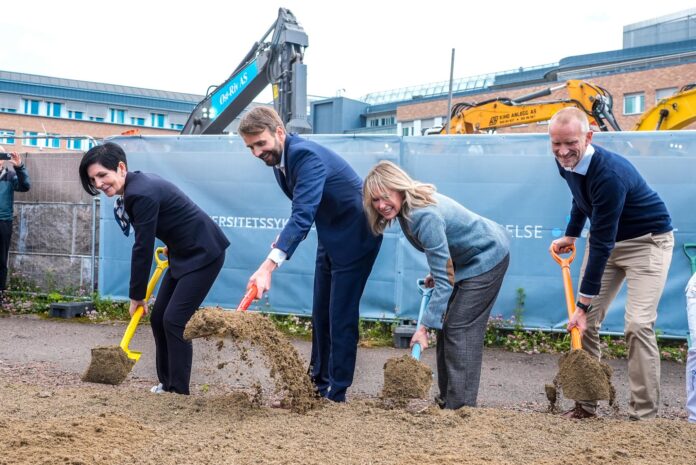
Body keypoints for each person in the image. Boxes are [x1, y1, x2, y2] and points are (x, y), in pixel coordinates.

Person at [238, 107, 382, 402]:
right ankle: (316, 385)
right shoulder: (282, 162)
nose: (256, 152)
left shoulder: (305, 156)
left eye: (260, 144)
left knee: (340, 315)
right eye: (250, 147)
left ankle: (337, 393)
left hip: (356, 236)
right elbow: (308, 209)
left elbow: (302, 215)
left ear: (279, 132)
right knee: (321, 314)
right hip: (330, 235)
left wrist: (268, 266)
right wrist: (281, 243)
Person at [548, 107, 673, 420]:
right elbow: (579, 197)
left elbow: (602, 243)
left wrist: (582, 304)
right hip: (608, 241)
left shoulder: (609, 174)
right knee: (586, 325)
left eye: (571, 143)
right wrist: (572, 235)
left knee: (638, 324)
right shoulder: (566, 161)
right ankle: (587, 404)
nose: (563, 152)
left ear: (589, 137)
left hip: (648, 241)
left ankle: (643, 415)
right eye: (556, 144)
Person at [79, 142, 229, 395]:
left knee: (174, 320)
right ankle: (166, 384)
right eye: (93, 179)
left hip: (204, 253)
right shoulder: (137, 186)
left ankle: (178, 391)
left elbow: (143, 247)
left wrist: (137, 296)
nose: (99, 183)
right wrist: (175, 241)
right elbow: (174, 214)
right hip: (182, 251)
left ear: (121, 168)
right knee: (160, 318)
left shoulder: (140, 193)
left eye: (102, 175)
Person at [363, 160, 510, 409]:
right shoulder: (406, 211)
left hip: (487, 256)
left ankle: (461, 407)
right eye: (375, 201)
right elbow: (443, 253)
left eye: (385, 197)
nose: (381, 205)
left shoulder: (423, 216)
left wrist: (423, 328)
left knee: (459, 327)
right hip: (467, 259)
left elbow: (445, 281)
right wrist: (438, 270)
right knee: (449, 327)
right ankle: (448, 399)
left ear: (399, 189)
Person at [0, 147, 30, 299]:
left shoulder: (10, 176)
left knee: (1, 259)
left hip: (3, 221)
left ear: (3, 158)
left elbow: (25, 186)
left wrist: (19, 167)